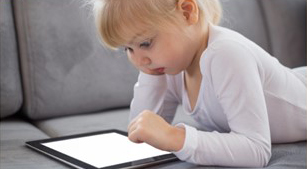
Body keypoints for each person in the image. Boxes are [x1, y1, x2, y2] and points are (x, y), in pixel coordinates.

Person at [92, 0, 307, 167]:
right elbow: (141, 133)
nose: (138, 60)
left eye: (145, 43)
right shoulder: (171, 67)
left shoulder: (226, 54)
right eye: (128, 49)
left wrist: (175, 136)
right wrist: (151, 76)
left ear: (187, 12)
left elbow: (256, 150)